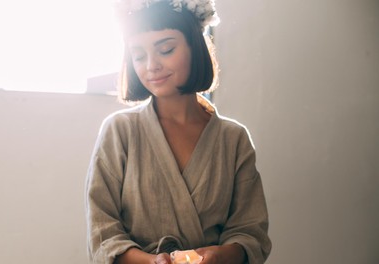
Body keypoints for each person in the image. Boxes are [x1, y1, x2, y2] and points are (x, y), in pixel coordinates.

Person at [85, 0, 271, 263]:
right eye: (139, 55)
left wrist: (220, 256)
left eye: (166, 49)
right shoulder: (120, 132)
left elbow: (251, 232)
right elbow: (102, 233)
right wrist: (151, 261)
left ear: (195, 47)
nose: (151, 65)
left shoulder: (233, 139)